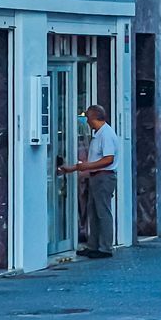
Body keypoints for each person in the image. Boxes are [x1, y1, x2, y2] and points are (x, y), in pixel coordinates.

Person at [57, 105, 119, 259]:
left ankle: (105, 247)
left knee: (103, 212)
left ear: (93, 117)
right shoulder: (99, 134)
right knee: (93, 212)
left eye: (87, 118)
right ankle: (93, 245)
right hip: (96, 177)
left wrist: (86, 166)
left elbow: (108, 159)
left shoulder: (106, 134)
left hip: (104, 177)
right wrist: (74, 168)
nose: (86, 122)